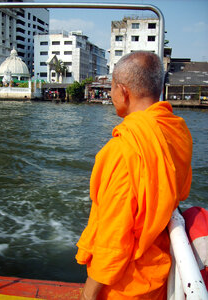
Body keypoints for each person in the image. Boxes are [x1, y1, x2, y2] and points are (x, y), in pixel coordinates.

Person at [75, 51, 193, 300]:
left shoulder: (124, 149)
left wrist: (87, 295)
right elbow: (181, 191)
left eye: (111, 88)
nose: (110, 94)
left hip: (124, 285)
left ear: (123, 91)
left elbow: (113, 238)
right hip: (158, 271)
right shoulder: (178, 131)